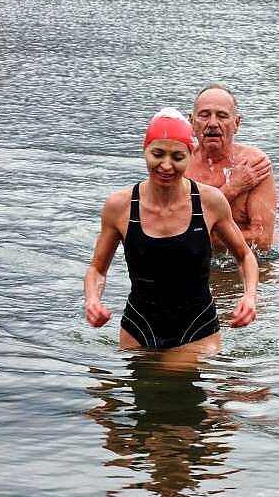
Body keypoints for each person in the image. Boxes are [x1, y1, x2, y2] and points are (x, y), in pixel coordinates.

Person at [84, 107, 259, 353]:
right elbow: (97, 269)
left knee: (168, 375)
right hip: (138, 328)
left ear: (190, 155)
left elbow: (244, 256)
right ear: (145, 151)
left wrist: (249, 296)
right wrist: (93, 299)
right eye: (157, 154)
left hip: (198, 328)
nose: (166, 165)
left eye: (177, 157)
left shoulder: (210, 201)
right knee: (136, 385)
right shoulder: (119, 206)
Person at [185, 83, 278, 251]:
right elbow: (170, 231)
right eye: (204, 115)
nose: (213, 123)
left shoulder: (254, 164)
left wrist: (203, 237)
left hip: (248, 264)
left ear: (236, 123)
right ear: (192, 122)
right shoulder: (180, 166)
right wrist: (232, 188)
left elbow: (263, 241)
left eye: (222, 116)